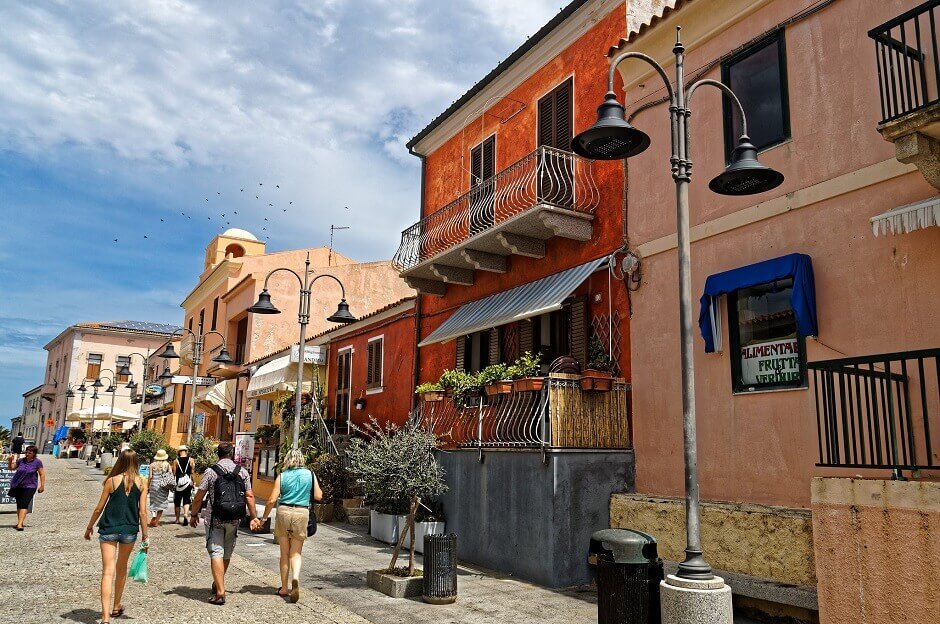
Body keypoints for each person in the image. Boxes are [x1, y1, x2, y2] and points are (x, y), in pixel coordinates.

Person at [84, 449, 149, 624]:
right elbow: (143, 512)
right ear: (136, 462)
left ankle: (105, 617)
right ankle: (116, 605)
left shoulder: (111, 481)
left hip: (108, 528)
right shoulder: (142, 482)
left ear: (120, 460)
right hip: (129, 529)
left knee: (107, 572)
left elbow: (98, 508)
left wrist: (89, 527)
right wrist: (145, 536)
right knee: (121, 568)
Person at [189, 442, 256, 605]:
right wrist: (254, 517)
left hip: (215, 518)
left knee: (216, 552)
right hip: (234, 518)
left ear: (217, 454)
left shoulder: (211, 472)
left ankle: (220, 591)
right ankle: (218, 583)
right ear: (231, 454)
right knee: (226, 553)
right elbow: (249, 496)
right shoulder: (242, 472)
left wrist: (193, 514)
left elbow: (199, 496)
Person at [252, 449, 322, 602]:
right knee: (296, 553)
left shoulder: (282, 476)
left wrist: (263, 519)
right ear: (302, 459)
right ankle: (295, 578)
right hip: (302, 512)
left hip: (284, 511)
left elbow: (271, 500)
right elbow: (318, 496)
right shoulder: (310, 474)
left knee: (284, 553)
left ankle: (284, 588)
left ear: (287, 460)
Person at [7, 445, 45, 530]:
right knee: (19, 504)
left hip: (30, 486)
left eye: (29, 453)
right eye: (26, 452)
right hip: (18, 485)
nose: (27, 454)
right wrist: (10, 461)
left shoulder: (37, 462)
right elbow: (11, 468)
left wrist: (42, 485)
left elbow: (42, 474)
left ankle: (20, 525)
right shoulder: (21, 461)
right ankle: (19, 522)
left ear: (34, 454)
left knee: (24, 503)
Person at [147, 449, 172, 527]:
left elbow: (150, 477)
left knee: (153, 502)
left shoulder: (152, 465)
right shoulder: (167, 465)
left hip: (154, 485)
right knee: (161, 503)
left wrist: (148, 486)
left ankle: (154, 516)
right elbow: (170, 474)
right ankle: (156, 521)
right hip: (163, 486)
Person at [171, 445, 194, 525]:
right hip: (188, 483)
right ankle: (185, 514)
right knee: (186, 500)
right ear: (186, 451)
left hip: (178, 484)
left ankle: (177, 519)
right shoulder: (191, 460)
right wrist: (193, 482)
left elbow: (173, 473)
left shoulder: (175, 461)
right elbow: (192, 472)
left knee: (177, 501)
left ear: (179, 452)